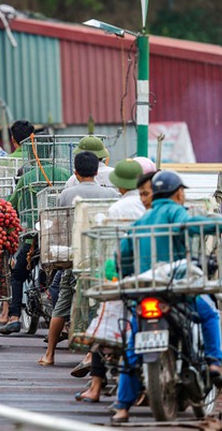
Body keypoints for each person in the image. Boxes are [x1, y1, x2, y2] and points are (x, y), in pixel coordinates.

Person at [111, 170, 222, 424]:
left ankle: (122, 408)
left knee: (133, 347)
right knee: (210, 314)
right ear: (179, 193)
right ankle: (214, 363)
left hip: (145, 292)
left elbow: (122, 256)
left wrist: (128, 275)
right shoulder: (175, 211)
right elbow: (192, 226)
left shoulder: (140, 222)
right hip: (175, 290)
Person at [37, 152, 118, 366]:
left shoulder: (67, 193)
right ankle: (91, 354)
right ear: (97, 172)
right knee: (97, 307)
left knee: (62, 305)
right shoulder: (111, 194)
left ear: (75, 172)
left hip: (75, 259)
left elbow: (60, 224)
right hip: (101, 260)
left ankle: (50, 354)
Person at [74, 158, 144, 404]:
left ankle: (95, 386)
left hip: (121, 277)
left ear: (120, 186)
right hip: (151, 276)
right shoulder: (150, 206)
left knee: (102, 329)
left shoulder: (117, 208)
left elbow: (109, 247)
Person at [0, 159, 71, 332]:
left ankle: (14, 317)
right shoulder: (66, 174)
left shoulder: (27, 177)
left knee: (17, 275)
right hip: (56, 236)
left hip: (33, 237)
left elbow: (11, 204)